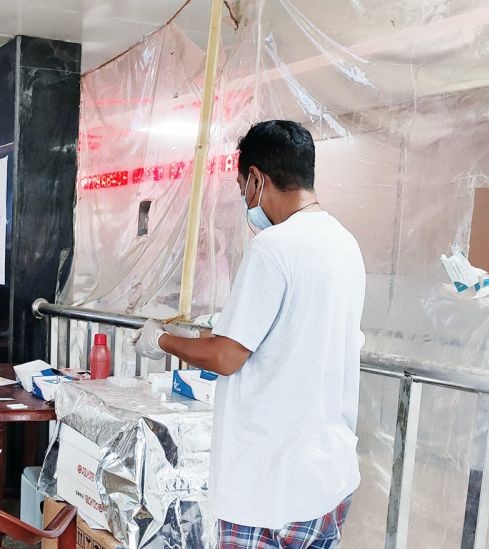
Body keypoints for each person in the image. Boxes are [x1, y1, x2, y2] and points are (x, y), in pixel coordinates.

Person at [134, 120, 365, 548]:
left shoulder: (274, 247)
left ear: (257, 178)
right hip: (327, 477)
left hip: (270, 487)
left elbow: (226, 357)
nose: (245, 200)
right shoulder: (345, 244)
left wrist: (160, 340)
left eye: (243, 188)